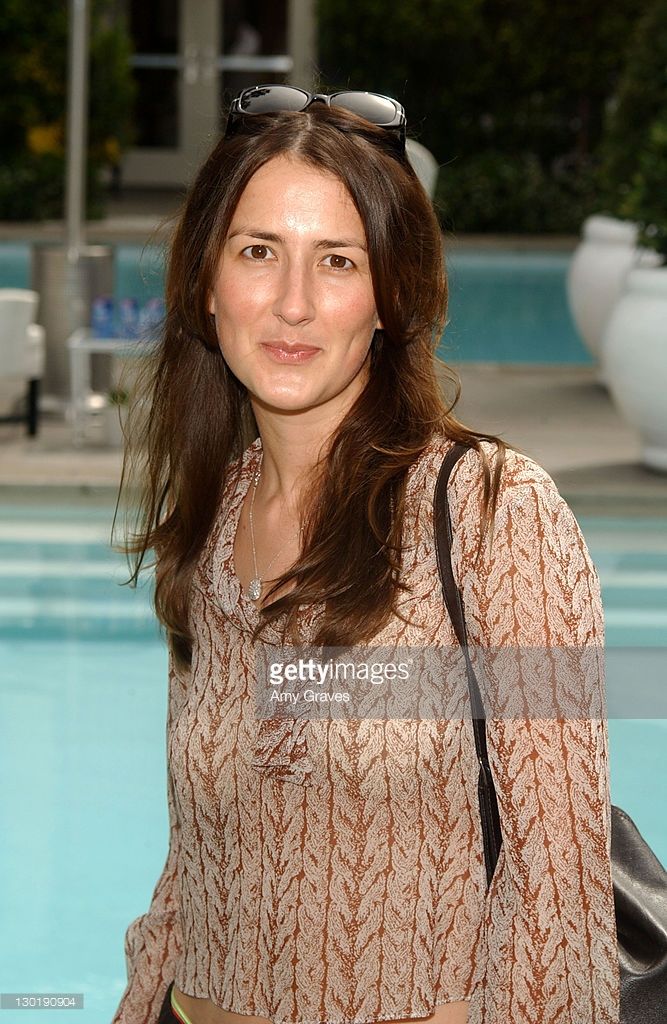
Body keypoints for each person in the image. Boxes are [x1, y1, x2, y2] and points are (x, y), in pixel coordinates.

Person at [111, 87, 620, 1024]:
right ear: (206, 284)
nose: (293, 303)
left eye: (337, 261)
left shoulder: (492, 513)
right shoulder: (214, 523)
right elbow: (196, 861)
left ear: (389, 297)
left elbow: (558, 880)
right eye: (258, 251)